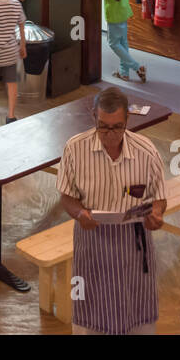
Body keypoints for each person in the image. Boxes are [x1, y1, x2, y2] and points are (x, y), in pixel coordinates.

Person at [57, 87, 168, 334]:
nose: (109, 135)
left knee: (137, 311)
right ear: (93, 117)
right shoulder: (75, 149)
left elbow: (159, 197)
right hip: (91, 239)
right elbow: (66, 196)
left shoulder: (146, 151)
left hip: (134, 245)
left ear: (127, 121)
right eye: (103, 126)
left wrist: (157, 215)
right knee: (88, 308)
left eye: (117, 127)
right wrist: (79, 214)